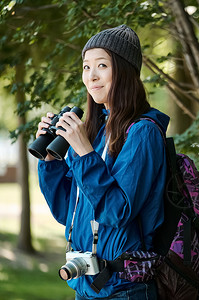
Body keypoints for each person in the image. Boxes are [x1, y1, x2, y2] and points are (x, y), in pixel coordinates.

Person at [36, 25, 169, 299]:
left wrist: (85, 155)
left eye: (102, 65)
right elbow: (66, 212)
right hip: (86, 287)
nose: (91, 76)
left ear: (124, 71)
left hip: (125, 290)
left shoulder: (143, 132)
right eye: (86, 67)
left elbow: (118, 213)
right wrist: (50, 162)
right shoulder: (95, 132)